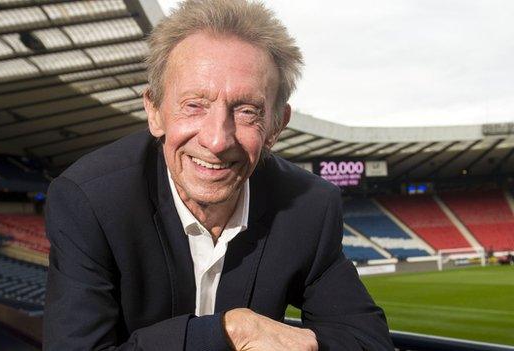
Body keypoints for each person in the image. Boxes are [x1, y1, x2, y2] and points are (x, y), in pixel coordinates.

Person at [43, 0, 393, 350]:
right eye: (194, 104)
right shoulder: (89, 200)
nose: (216, 140)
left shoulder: (310, 207)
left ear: (276, 126)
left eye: (246, 111)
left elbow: (367, 340)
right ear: (154, 111)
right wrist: (231, 331)